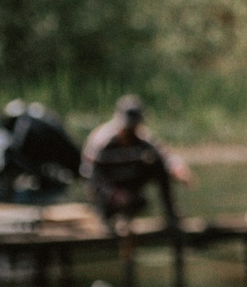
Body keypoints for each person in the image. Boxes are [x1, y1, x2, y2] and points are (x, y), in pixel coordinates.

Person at [80, 94, 193, 227]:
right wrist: (113, 194)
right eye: (128, 128)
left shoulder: (142, 138)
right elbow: (88, 175)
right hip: (108, 191)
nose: (131, 132)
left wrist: (177, 169)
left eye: (134, 127)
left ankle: (170, 214)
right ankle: (107, 215)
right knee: (106, 201)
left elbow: (165, 155)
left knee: (159, 165)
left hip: (130, 187)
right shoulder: (102, 142)